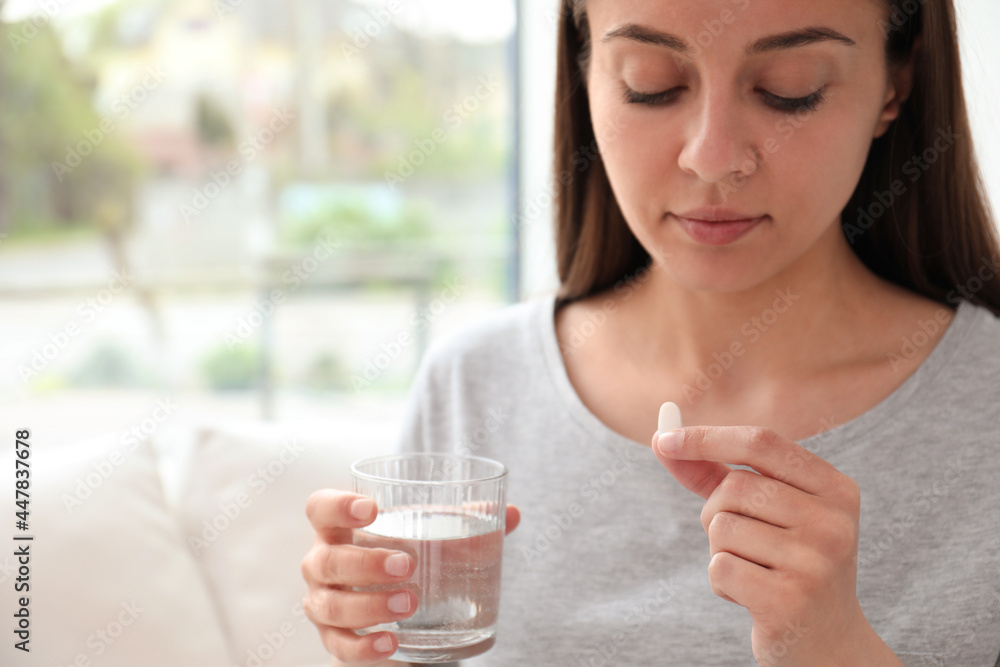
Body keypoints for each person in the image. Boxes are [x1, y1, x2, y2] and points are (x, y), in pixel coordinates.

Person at [301, 0, 1000, 664]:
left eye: (791, 90)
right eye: (652, 86)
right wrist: (373, 649)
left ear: (895, 82)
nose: (712, 156)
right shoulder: (475, 384)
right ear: (586, 75)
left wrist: (839, 649)